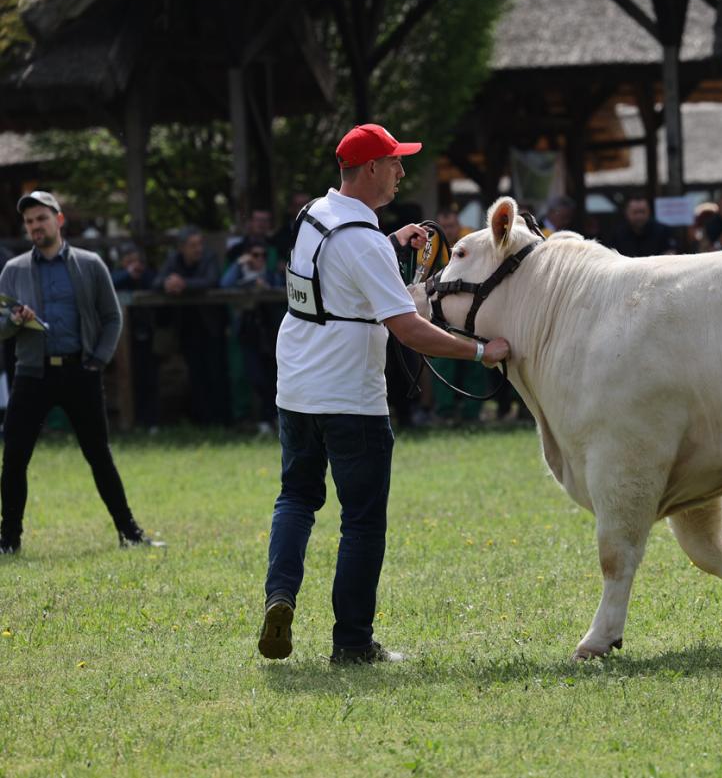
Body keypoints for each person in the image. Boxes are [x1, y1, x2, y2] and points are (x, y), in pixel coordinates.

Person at [258, 123, 511, 665]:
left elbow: (336, 270)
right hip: (350, 396)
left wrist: (393, 242)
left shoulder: (313, 217)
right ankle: (351, 642)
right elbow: (410, 330)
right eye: (394, 162)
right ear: (370, 168)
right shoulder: (365, 243)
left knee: (296, 498)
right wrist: (480, 351)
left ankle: (279, 596)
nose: (401, 171)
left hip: (296, 387)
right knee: (363, 521)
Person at [0, 190, 162, 554]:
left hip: (80, 371)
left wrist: (98, 361)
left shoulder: (90, 264)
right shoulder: (13, 270)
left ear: (58, 220)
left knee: (98, 454)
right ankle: (8, 540)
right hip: (31, 372)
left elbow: (112, 317)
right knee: (14, 458)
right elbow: (1, 327)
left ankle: (130, 533)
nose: (34, 226)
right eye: (28, 222)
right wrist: (13, 320)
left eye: (41, 218)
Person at [156, 226, 231, 425]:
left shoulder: (209, 257)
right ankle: (203, 421)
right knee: (195, 374)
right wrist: (167, 284)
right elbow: (157, 281)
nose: (198, 249)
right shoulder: (173, 259)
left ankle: (223, 420)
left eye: (200, 244)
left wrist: (184, 284)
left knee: (216, 372)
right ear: (182, 247)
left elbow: (212, 281)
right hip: (188, 328)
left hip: (212, 327)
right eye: (193, 245)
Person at [220, 241, 284, 434]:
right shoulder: (240, 275)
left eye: (263, 255)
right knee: (255, 377)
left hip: (270, 333)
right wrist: (239, 264)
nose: (260, 259)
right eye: (255, 255)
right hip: (249, 335)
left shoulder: (271, 276)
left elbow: (282, 287)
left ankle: (271, 419)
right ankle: (261, 418)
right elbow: (224, 285)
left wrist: (267, 287)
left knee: (272, 377)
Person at [110, 244, 160, 431]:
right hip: (121, 339)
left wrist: (140, 273)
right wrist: (128, 274)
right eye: (130, 261)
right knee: (127, 379)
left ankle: (151, 422)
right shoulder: (116, 275)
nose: (135, 265)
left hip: (146, 335)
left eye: (137, 261)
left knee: (149, 378)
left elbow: (156, 283)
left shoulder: (148, 276)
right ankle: (131, 422)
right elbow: (108, 283)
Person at [609, 195, 678, 257]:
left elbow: (670, 256)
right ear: (626, 212)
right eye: (635, 212)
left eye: (643, 212)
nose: (639, 216)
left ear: (649, 211)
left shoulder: (664, 231)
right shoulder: (618, 233)